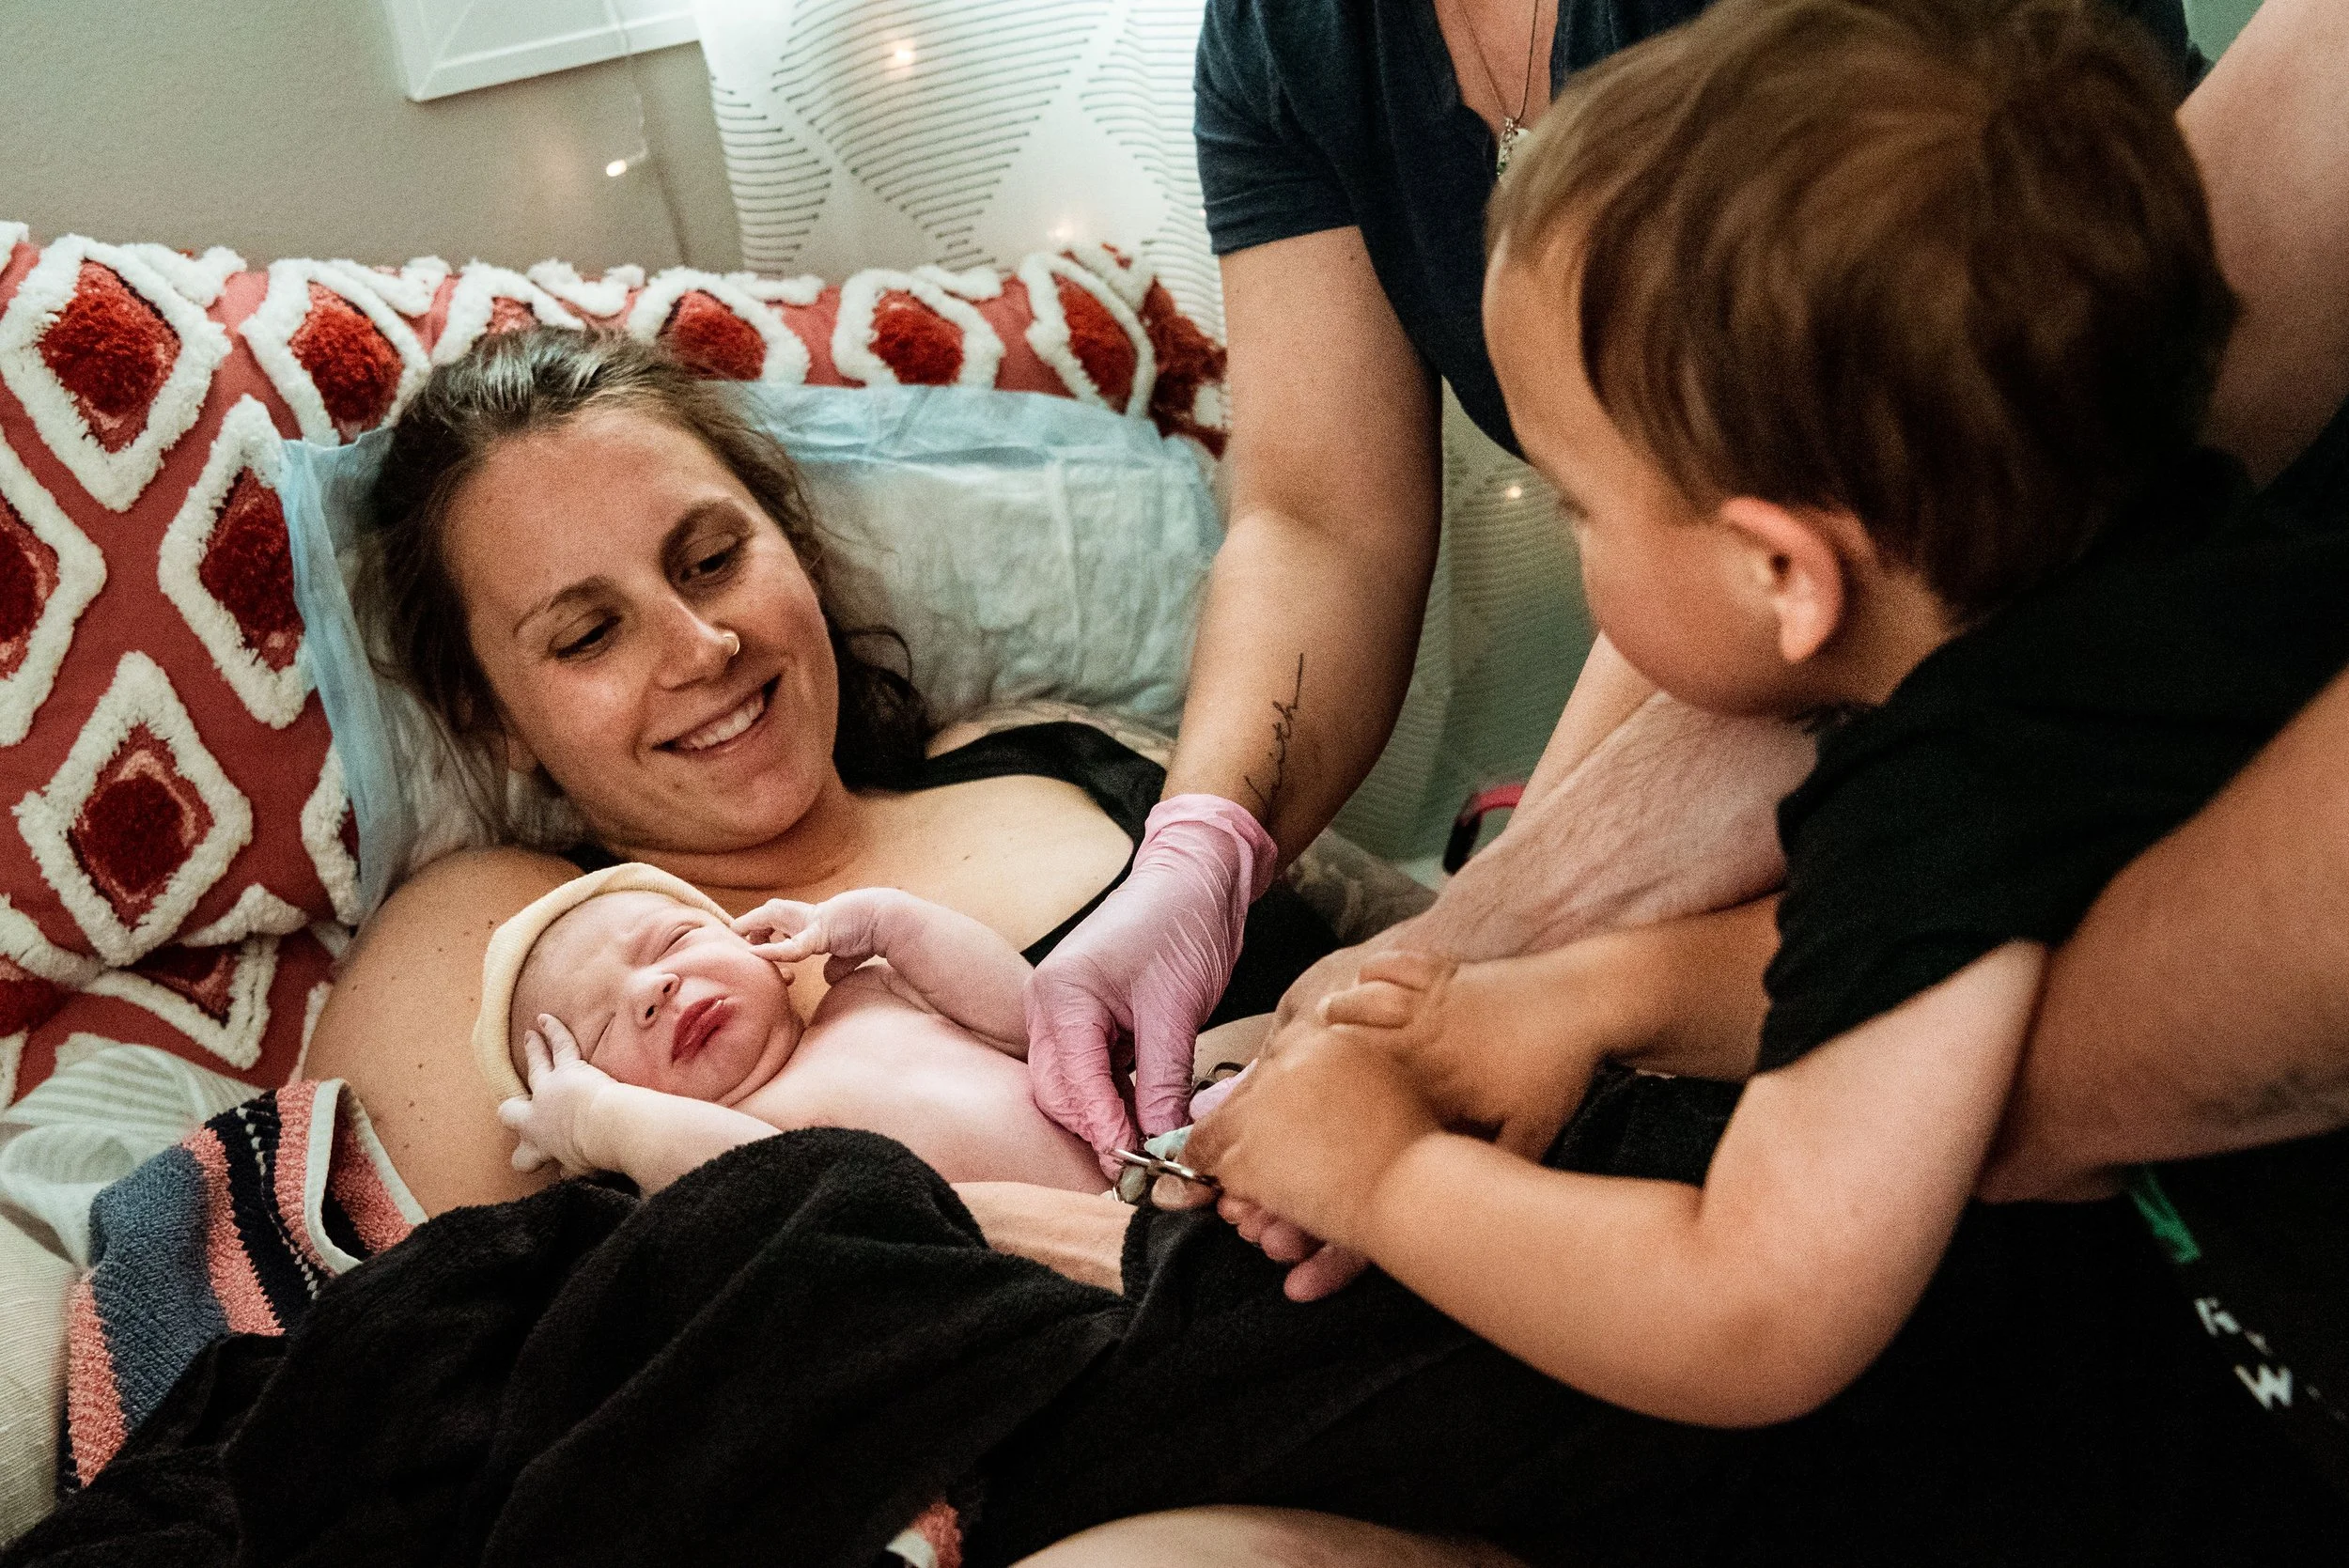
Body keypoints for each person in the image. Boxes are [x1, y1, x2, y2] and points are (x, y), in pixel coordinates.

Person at [1019, 0, 2199, 1170]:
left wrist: (1473, 1000)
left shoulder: (1942, 847)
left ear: (1781, 564)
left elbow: (1752, 1306)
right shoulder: (1286, 37)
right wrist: (1199, 846)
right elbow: (1319, 519)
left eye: (1574, 505)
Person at [303, 327, 1337, 1234]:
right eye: (588, 634)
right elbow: (432, 1343)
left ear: (791, 546)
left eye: (710, 560)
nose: (700, 647)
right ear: (489, 719)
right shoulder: (510, 932)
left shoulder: (1054, 750)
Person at [481, 865, 1105, 1195]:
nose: (651, 990)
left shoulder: (871, 991)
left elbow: (1033, 1023)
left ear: (760, 943)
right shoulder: (711, 1152)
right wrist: (599, 1121)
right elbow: (773, 1188)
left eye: (672, 940)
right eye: (598, 1030)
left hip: (1156, 1170)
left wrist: (896, 924)